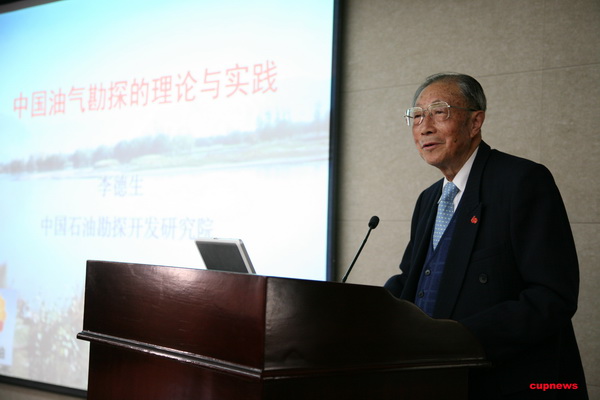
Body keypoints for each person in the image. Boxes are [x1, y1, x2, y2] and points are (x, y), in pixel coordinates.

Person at [384, 73, 588, 399]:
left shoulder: (522, 182)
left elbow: (551, 296)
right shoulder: (429, 199)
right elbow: (414, 280)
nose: (424, 127)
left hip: (505, 382)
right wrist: (361, 311)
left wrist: (461, 338)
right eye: (417, 116)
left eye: (439, 112)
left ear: (475, 122)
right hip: (435, 380)